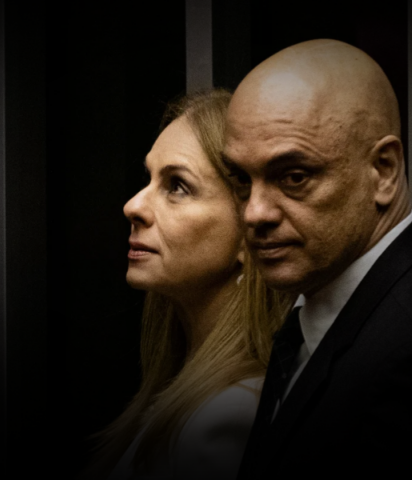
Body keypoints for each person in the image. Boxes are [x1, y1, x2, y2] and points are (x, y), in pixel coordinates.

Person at [221, 39, 412, 476]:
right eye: (242, 180)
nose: (254, 213)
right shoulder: (320, 310)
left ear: (384, 171)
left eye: (294, 177)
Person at [80, 89, 292, 480]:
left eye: (177, 186)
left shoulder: (229, 417)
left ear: (248, 231)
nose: (133, 206)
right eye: (149, 179)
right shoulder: (188, 391)